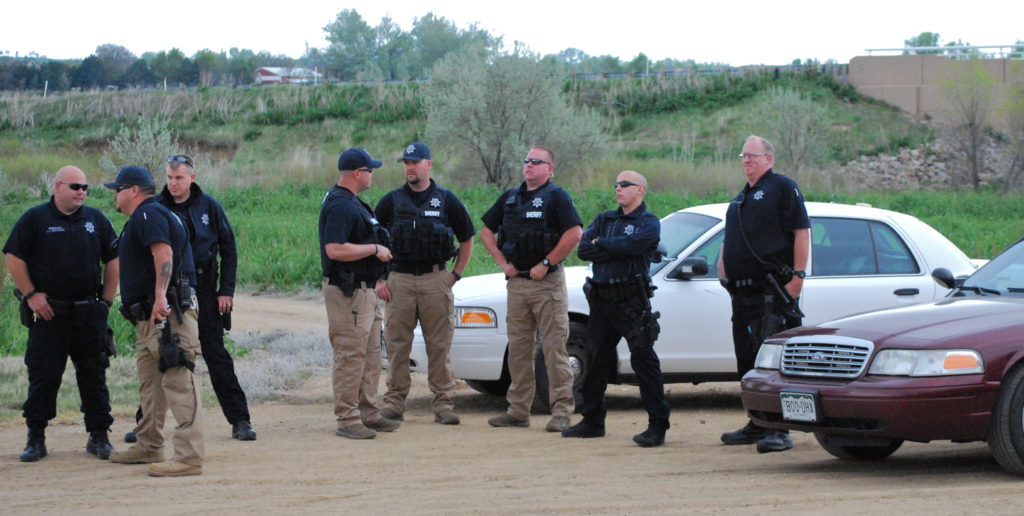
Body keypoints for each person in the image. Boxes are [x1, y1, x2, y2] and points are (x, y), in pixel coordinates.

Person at [3, 166, 119, 463]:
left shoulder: (96, 220)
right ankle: (36, 437)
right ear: (58, 187)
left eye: (85, 188)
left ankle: (99, 436)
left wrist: (105, 300)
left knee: (94, 377)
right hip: (50, 314)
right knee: (43, 376)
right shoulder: (35, 219)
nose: (81, 192)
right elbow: (14, 257)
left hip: (88, 312)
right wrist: (31, 295)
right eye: (75, 186)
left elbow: (113, 258)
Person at [104, 165, 205, 477]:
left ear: (134, 190)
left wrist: (161, 295)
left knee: (179, 381)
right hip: (150, 318)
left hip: (167, 313)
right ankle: (149, 444)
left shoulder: (149, 214)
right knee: (151, 386)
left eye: (117, 189)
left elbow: (164, 255)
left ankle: (189, 457)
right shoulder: (152, 215)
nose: (115, 195)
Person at [562, 171, 670, 447]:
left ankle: (657, 425)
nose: (618, 188)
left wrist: (604, 244)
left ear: (640, 190)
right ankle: (592, 420)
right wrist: (610, 247)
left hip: (631, 302)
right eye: (616, 184)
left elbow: (634, 245)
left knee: (644, 362)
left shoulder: (648, 223)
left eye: (625, 184)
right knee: (596, 361)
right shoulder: (605, 219)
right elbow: (584, 250)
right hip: (601, 300)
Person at [718, 135, 810, 453]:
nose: (746, 161)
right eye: (743, 155)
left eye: (752, 156)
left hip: (771, 292)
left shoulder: (782, 188)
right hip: (741, 294)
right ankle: (758, 422)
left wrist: (798, 277)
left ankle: (780, 430)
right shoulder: (742, 197)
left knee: (772, 363)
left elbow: (801, 230)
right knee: (748, 361)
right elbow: (730, 240)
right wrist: (723, 267)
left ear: (769, 159)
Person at [480, 146, 582, 432]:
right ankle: (518, 411)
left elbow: (575, 233)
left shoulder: (557, 197)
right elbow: (486, 232)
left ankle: (561, 411)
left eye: (536, 162)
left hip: (546, 284)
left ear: (550, 168)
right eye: (526, 160)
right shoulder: (511, 197)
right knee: (518, 350)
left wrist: (547, 262)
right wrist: (503, 264)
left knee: (554, 349)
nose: (529, 165)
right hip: (517, 284)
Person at [374, 142, 475, 425]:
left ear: (428, 164)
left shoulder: (446, 200)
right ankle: (394, 403)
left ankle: (443, 403)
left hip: (435, 279)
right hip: (399, 280)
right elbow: (374, 239)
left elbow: (467, 238)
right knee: (396, 344)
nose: (409, 167)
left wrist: (455, 275)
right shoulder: (391, 201)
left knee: (439, 345)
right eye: (406, 163)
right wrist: (380, 278)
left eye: (414, 162)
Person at [157, 154, 255, 440]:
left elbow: (229, 249)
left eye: (179, 178)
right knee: (167, 356)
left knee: (217, 356)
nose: (173, 183)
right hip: (173, 294)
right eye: (169, 178)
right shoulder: (157, 208)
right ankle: (147, 424)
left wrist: (226, 291)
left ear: (192, 178)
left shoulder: (208, 206)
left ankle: (240, 421)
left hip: (207, 292)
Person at [320, 148, 400, 440]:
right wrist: (374, 250)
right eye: (370, 170)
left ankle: (368, 412)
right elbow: (335, 249)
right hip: (348, 292)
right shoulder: (340, 205)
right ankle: (347, 418)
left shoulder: (354, 203)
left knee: (369, 355)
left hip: (365, 292)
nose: (372, 175)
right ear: (356, 173)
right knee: (351, 356)